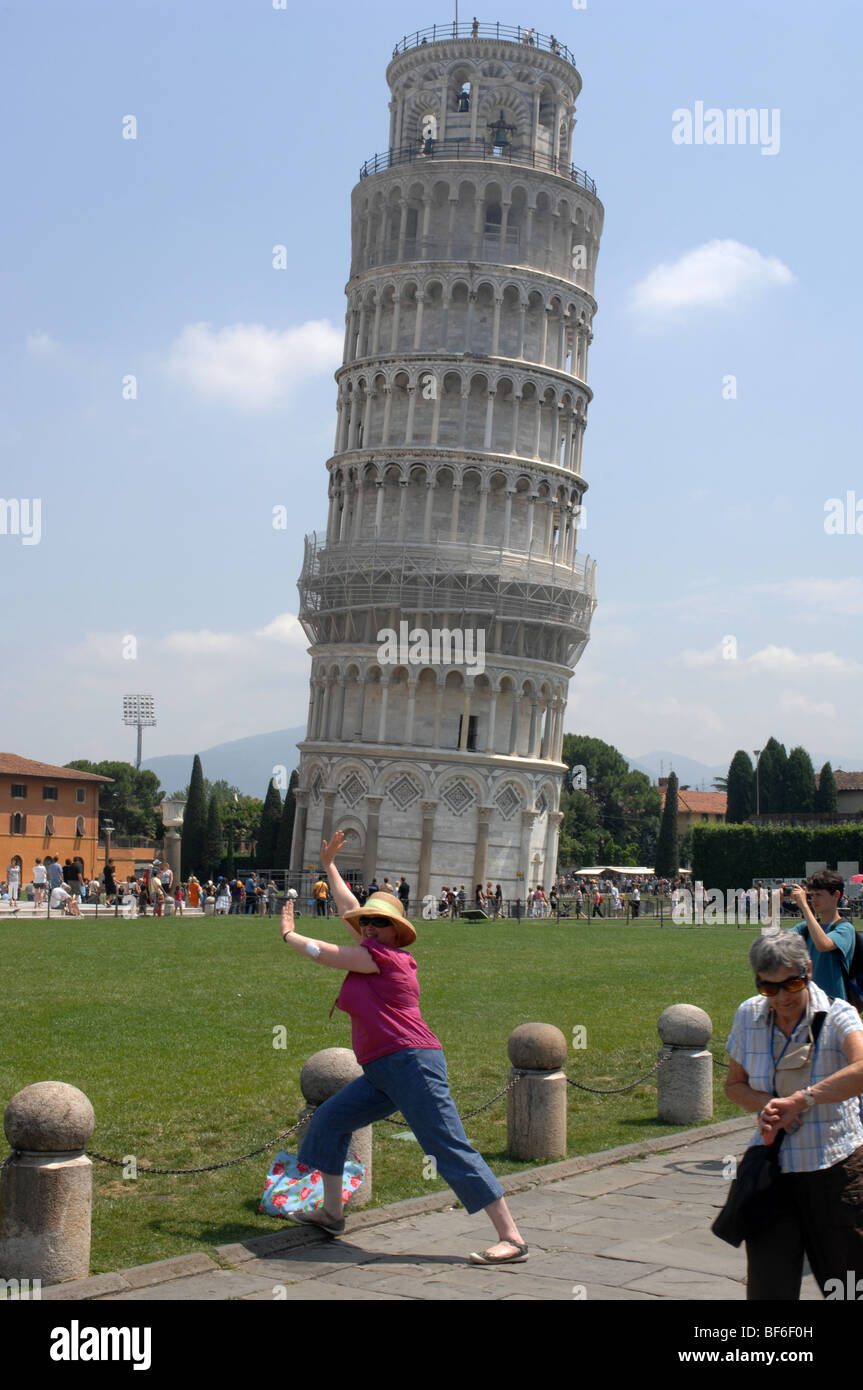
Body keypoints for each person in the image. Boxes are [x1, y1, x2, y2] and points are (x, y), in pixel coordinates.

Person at [278, 829, 528, 1265]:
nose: (370, 926)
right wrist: (331, 866)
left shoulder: (382, 958)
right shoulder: (374, 948)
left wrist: (289, 935)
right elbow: (348, 909)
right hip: (381, 1070)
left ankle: (512, 1236)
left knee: (447, 1144)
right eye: (369, 922)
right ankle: (333, 1214)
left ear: (396, 933)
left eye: (380, 922)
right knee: (331, 1120)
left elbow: (324, 952)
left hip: (412, 1064)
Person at [724, 929, 863, 1299]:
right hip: (774, 1169)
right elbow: (733, 1085)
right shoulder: (748, 1014)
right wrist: (767, 1105)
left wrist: (801, 1100)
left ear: (809, 971)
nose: (782, 997)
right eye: (769, 988)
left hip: (834, 1168)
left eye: (792, 984)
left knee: (847, 1286)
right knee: (769, 1288)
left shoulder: (838, 1015)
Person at [787, 873, 856, 1003]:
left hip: (834, 1007)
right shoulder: (806, 927)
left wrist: (804, 906)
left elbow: (823, 945)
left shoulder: (845, 928)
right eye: (811, 895)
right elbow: (772, 942)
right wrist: (773, 905)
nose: (813, 900)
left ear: (836, 895)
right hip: (810, 1005)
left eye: (818, 895)